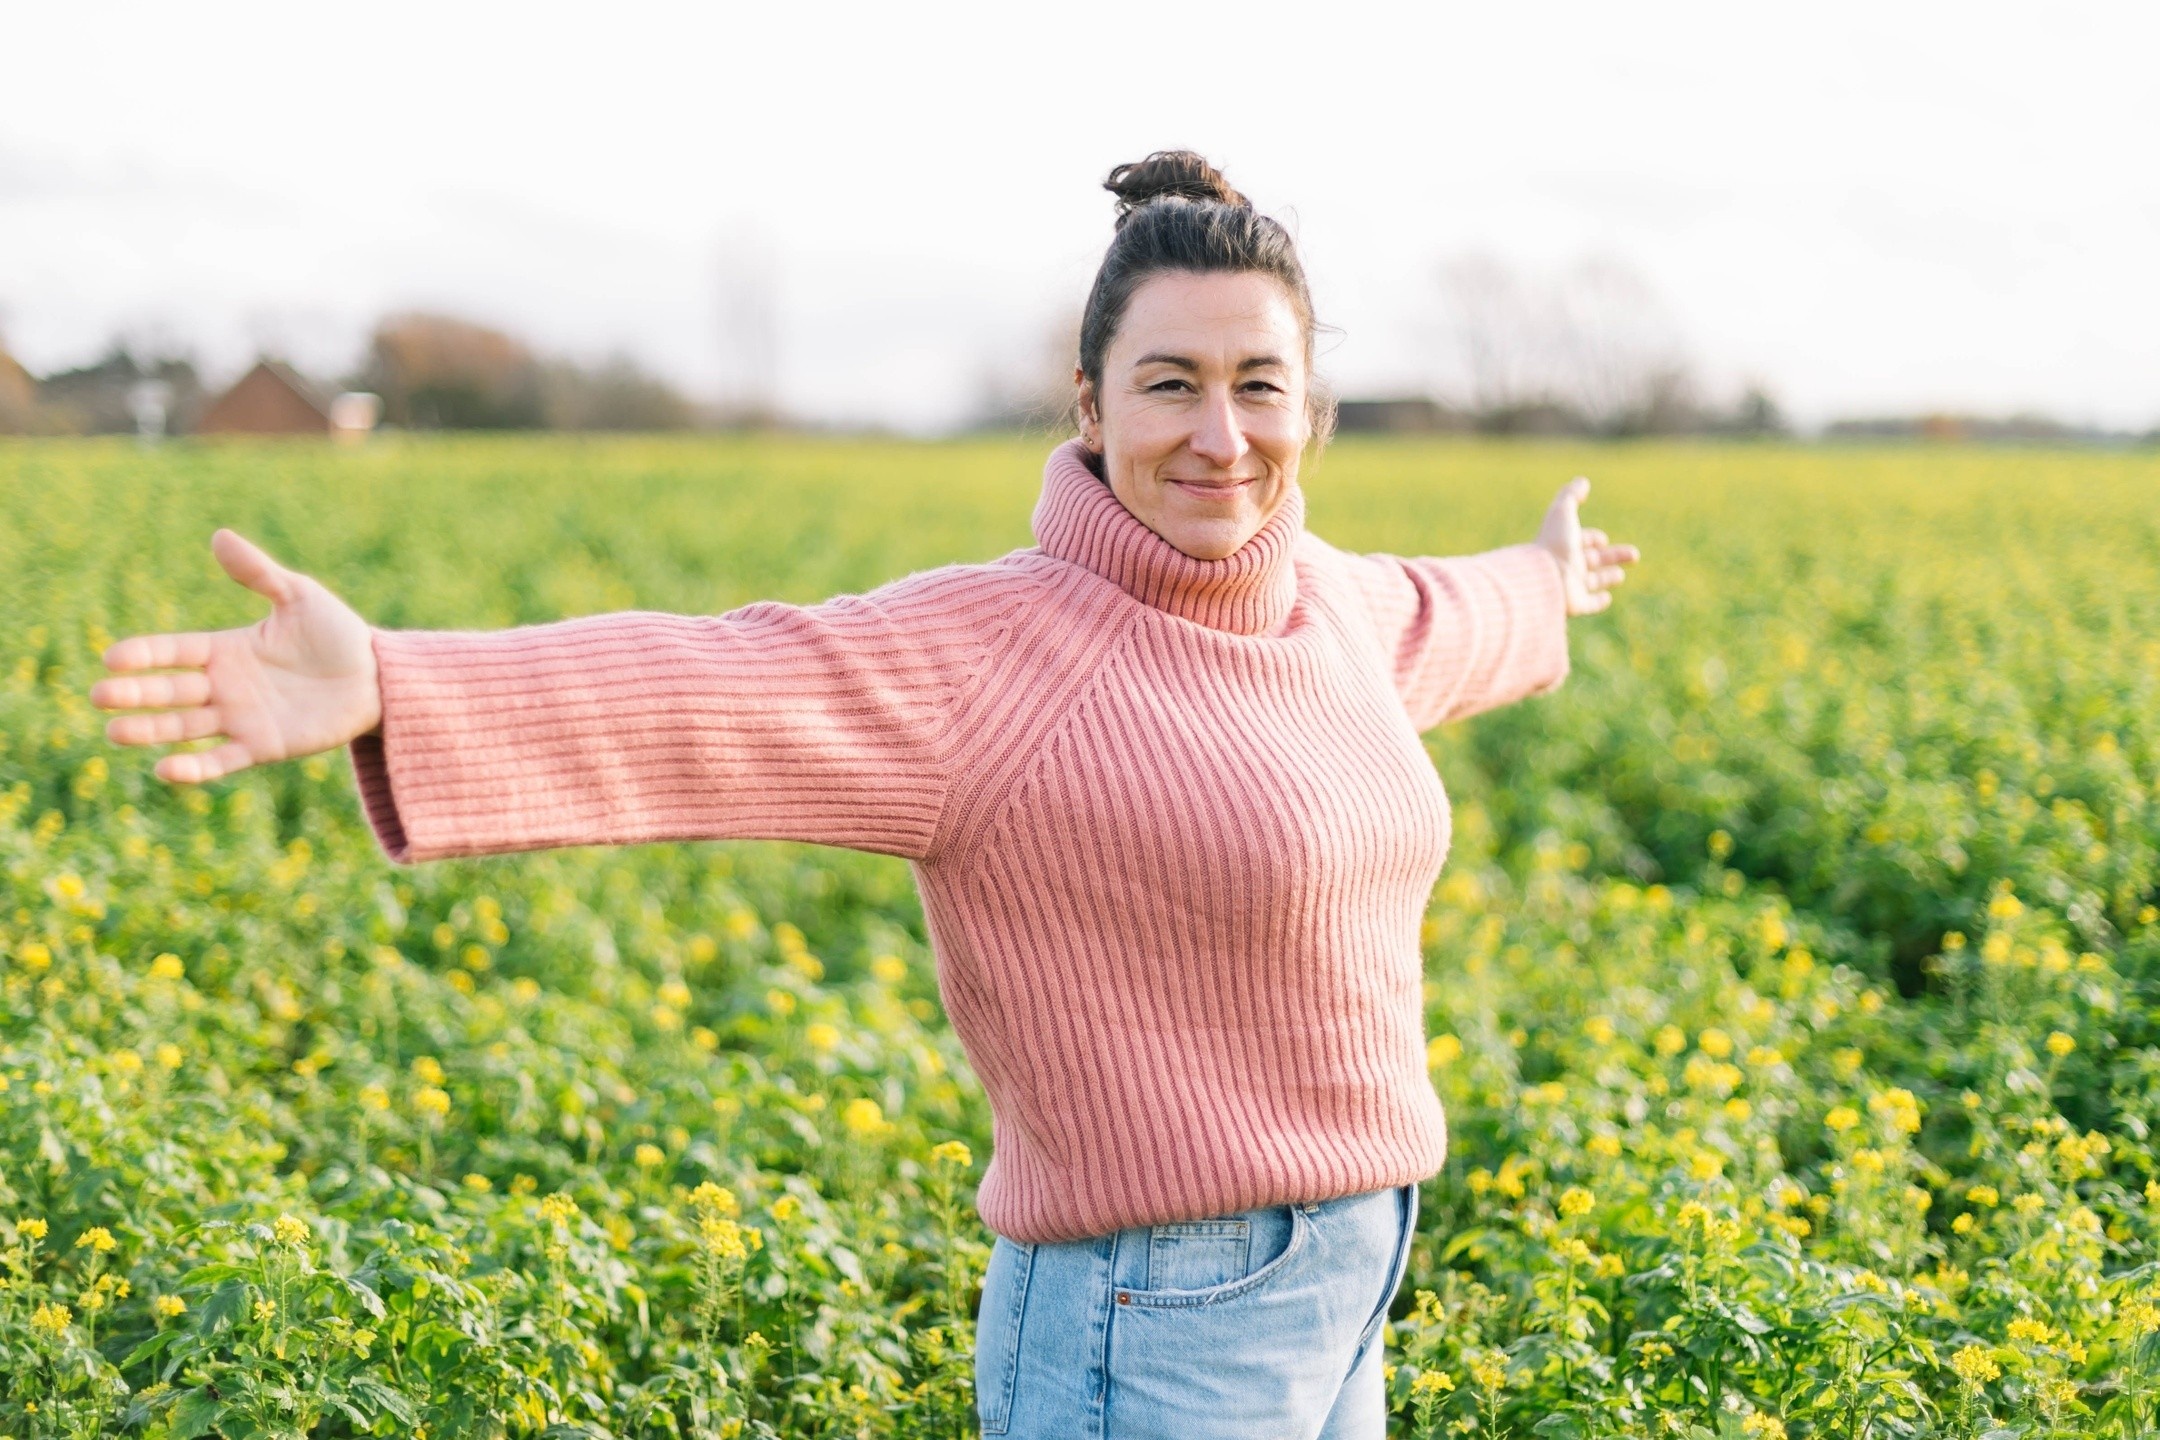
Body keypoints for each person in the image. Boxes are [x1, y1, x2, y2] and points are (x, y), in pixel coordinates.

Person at [93, 150, 1638, 1439]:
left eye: (1259, 386)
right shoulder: (998, 657)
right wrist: (395, 683)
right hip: (1156, 1311)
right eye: (1170, 384)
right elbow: (723, 685)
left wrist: (1548, 575)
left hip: (1354, 1274)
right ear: (1091, 406)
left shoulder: (1335, 611)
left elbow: (1462, 611)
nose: (1218, 434)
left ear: (1314, 414)